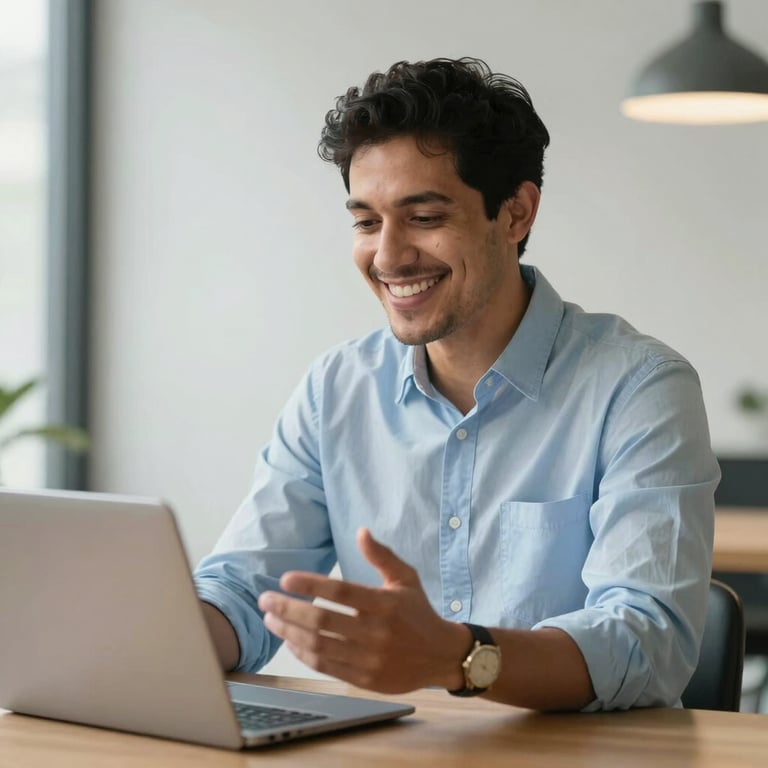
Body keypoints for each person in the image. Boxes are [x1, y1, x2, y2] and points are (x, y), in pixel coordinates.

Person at [194, 57, 720, 712]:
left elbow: (646, 645)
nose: (387, 256)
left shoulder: (639, 388)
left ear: (516, 213)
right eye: (365, 221)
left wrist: (455, 655)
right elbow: (243, 593)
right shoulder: (336, 388)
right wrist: (151, 640)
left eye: (424, 216)